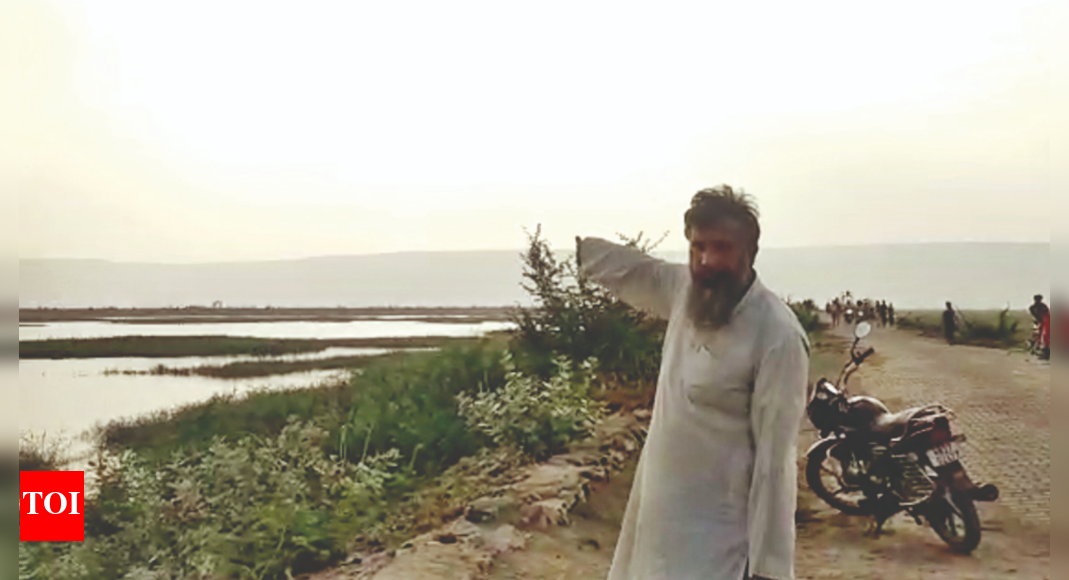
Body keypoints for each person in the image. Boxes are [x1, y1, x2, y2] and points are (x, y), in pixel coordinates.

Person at [577, 185, 809, 580]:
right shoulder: (686, 291)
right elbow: (637, 271)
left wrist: (770, 568)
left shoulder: (778, 335)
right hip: (656, 521)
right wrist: (569, 249)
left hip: (719, 538)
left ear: (749, 251)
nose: (706, 260)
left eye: (721, 247)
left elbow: (776, 462)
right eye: (697, 247)